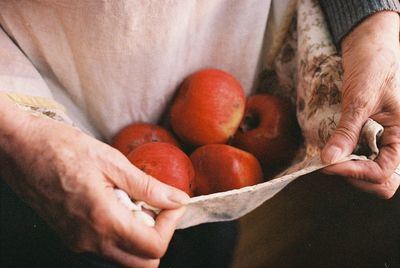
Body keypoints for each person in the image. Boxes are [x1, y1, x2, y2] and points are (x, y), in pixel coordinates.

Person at [0, 1, 399, 267]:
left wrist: (370, 20)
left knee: (207, 243)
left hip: (212, 144)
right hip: (41, 133)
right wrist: (12, 133)